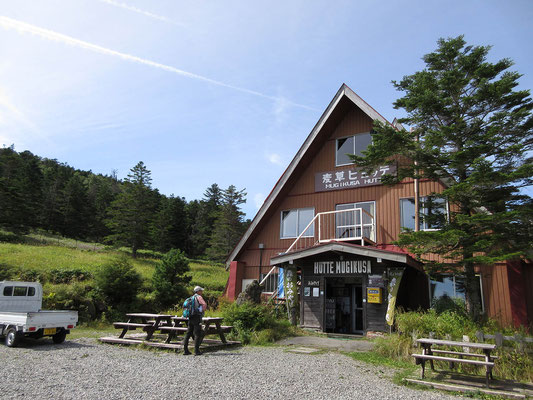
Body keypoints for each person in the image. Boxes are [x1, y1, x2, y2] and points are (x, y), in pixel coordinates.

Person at [183, 286, 207, 356]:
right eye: (201, 291)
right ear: (198, 291)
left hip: (190, 317)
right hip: (197, 316)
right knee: (197, 333)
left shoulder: (191, 298)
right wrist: (202, 310)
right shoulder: (199, 297)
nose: (202, 292)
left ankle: (185, 350)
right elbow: (204, 305)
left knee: (188, 333)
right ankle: (196, 351)